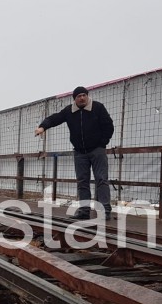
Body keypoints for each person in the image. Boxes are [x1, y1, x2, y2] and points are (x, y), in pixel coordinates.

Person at [35, 86, 115, 220]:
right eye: (79, 96)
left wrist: (102, 143)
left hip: (97, 151)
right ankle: (84, 211)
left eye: (84, 95)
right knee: (82, 181)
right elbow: (55, 118)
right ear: (74, 99)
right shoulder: (69, 111)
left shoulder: (98, 107)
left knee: (101, 179)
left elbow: (109, 126)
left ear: (87, 96)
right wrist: (43, 127)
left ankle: (105, 211)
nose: (82, 98)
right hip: (80, 152)